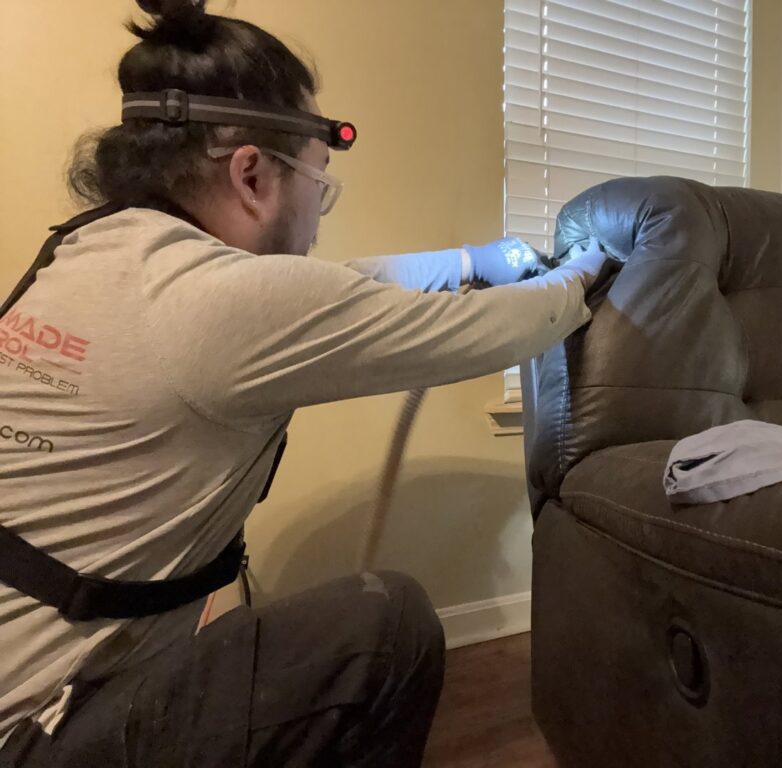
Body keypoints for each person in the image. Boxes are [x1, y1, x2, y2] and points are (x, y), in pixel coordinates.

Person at [0, 1, 609, 766]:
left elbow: (327, 289)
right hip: (35, 733)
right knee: (385, 627)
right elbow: (487, 330)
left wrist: (468, 261)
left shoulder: (90, 252)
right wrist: (585, 275)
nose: (317, 219)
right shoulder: (221, 305)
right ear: (252, 173)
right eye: (318, 189)